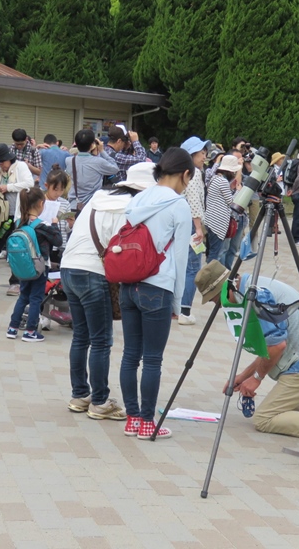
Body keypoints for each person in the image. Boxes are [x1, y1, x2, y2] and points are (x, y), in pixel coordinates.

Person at [195, 261, 299, 439]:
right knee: (279, 408)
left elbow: (277, 346)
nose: (218, 305)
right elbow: (270, 348)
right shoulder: (250, 286)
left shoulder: (257, 297)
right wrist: (243, 376)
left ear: (225, 288)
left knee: (264, 418)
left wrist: (256, 378)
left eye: (214, 299)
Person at [61, 162, 157, 421]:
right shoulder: (131, 207)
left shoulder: (99, 197)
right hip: (92, 273)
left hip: (68, 267)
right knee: (101, 340)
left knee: (81, 337)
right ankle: (100, 401)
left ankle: (79, 395)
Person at [119, 148, 193, 440]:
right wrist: (177, 302)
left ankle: (132, 420)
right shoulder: (179, 205)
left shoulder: (138, 199)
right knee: (152, 359)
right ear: (185, 174)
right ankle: (148, 423)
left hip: (129, 284)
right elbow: (181, 258)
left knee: (130, 355)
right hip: (158, 287)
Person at [6, 188, 62, 342]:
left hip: (24, 267)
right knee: (36, 298)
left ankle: (12, 328)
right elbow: (58, 241)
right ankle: (30, 331)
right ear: (41, 204)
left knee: (23, 296)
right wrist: (55, 224)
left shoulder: (19, 223)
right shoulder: (43, 225)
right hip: (40, 267)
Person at [0, 143, 34, 296]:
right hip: (2, 218)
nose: (1, 165)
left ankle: (15, 282)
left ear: (9, 159)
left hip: (17, 216)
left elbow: (29, 184)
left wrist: (8, 187)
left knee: (16, 249)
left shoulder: (20, 167)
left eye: (2, 162)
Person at [178, 136, 211, 325]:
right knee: (192, 267)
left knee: (180, 266)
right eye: (201, 153)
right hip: (192, 224)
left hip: (180, 223)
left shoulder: (179, 171)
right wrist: (199, 228)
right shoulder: (194, 173)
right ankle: (184, 311)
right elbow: (194, 202)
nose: (204, 156)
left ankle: (176, 308)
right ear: (191, 155)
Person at [65, 129, 119, 212]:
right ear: (91, 145)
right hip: (91, 207)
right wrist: (102, 151)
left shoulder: (69, 161)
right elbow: (115, 169)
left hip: (73, 205)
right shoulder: (98, 162)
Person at [204, 155, 241, 263]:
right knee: (215, 254)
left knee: (212, 251)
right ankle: (210, 273)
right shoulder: (223, 181)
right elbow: (231, 202)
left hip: (210, 219)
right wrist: (238, 191)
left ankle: (209, 270)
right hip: (218, 223)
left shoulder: (215, 178)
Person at [41, 166, 71, 267]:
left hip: (60, 245)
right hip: (45, 244)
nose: (58, 193)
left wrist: (70, 224)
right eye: (55, 189)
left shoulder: (65, 203)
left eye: (61, 190)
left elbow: (66, 229)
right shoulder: (40, 202)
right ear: (47, 186)